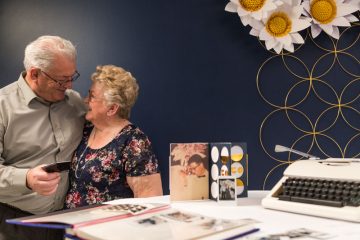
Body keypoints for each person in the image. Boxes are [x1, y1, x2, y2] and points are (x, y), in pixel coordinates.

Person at [0, 36, 86, 240]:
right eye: (61, 80)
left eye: (72, 76)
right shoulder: (2, 107)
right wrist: (26, 179)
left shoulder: (75, 102)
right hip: (14, 224)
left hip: (65, 221)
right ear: (34, 73)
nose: (69, 85)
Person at [65, 65, 163, 209]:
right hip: (74, 227)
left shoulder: (134, 142)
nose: (86, 100)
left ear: (112, 108)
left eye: (92, 96)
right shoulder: (86, 130)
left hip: (109, 228)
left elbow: (150, 201)